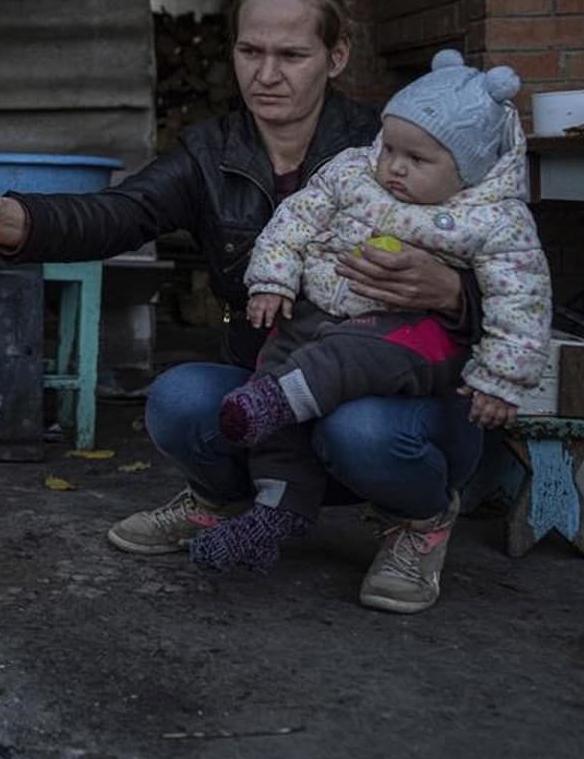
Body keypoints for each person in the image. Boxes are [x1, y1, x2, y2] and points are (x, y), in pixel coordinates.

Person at [0, 0, 484, 613]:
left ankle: (421, 521)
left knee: (359, 428)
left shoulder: (395, 147)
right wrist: (5, 216)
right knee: (179, 398)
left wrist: (451, 290)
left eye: (291, 54)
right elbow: (121, 214)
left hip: (395, 405)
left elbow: (512, 281)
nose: (266, 74)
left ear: (336, 57)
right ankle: (222, 502)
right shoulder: (211, 153)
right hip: (278, 402)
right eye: (250, 50)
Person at [190, 49, 550, 575]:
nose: (395, 167)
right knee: (271, 383)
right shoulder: (355, 171)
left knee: (321, 373)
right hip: (318, 317)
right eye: (390, 149)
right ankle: (274, 512)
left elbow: (522, 299)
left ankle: (421, 522)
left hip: (410, 337)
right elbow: (295, 218)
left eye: (418, 159)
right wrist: (272, 279)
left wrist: (500, 379)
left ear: (470, 169)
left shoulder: (494, 220)